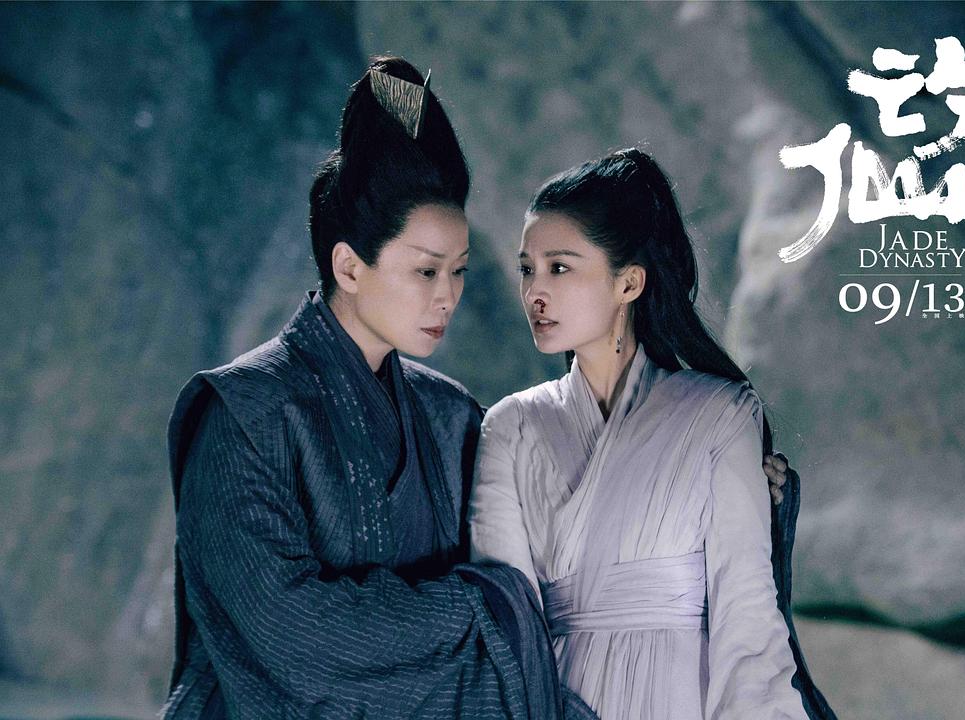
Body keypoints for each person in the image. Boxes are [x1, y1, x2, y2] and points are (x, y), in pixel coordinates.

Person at [160, 56, 595, 719]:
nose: (447, 296)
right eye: (425, 271)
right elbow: (296, 640)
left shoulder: (451, 417)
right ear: (349, 266)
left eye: (459, 271)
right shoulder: (244, 415)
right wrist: (483, 602)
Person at [469, 149, 836, 719]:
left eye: (559, 268)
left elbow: (747, 619)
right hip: (556, 702)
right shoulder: (510, 426)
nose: (535, 292)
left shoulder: (719, 413)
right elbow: (503, 628)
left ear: (629, 282)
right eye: (527, 269)